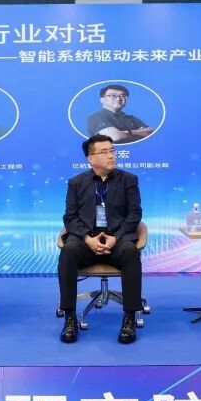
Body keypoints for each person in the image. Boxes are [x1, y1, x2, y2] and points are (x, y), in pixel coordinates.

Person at [58, 134, 143, 344]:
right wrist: (88, 239)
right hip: (86, 241)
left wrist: (116, 237)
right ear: (91, 158)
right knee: (68, 251)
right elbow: (70, 217)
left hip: (117, 240)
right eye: (104, 152)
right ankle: (70, 318)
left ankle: (129, 318)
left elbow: (135, 214)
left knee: (131, 252)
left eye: (112, 151)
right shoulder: (76, 183)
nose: (111, 156)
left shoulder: (129, 180)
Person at [85, 85, 154, 144]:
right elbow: (115, 137)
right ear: (102, 100)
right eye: (113, 96)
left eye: (122, 96)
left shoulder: (130, 118)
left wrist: (124, 133)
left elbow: (151, 132)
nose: (118, 99)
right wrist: (140, 133)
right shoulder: (95, 117)